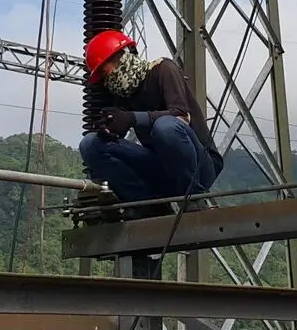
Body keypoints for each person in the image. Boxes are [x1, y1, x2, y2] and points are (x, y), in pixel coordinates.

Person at [78, 29, 224, 218]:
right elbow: (116, 136)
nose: (108, 81)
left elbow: (181, 116)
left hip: (199, 167)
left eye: (106, 73)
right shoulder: (123, 94)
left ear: (122, 59)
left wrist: (132, 118)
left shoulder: (163, 69)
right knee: (90, 145)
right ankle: (146, 203)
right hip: (163, 169)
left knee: (165, 127)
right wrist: (109, 129)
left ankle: (194, 199)